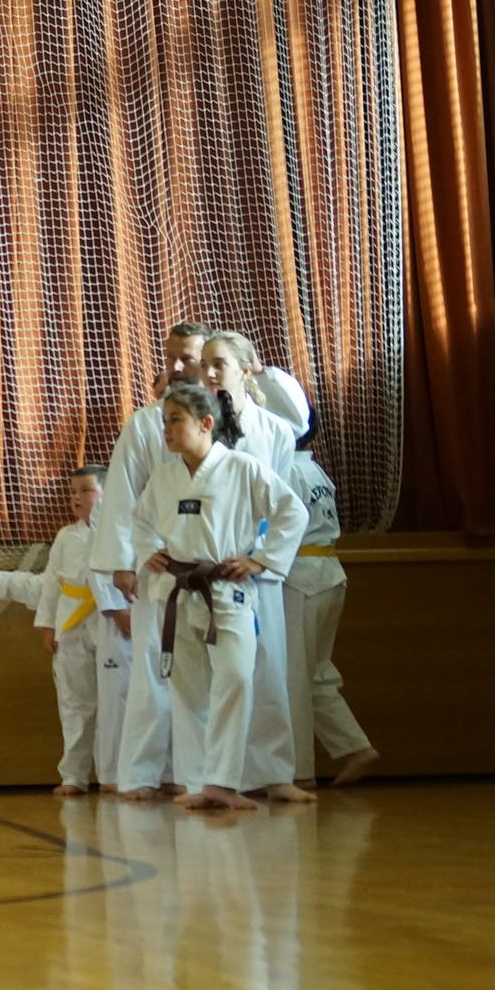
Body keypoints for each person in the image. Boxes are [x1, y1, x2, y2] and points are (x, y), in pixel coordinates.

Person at [129, 383, 304, 811]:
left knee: (237, 677)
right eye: (164, 421)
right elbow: (140, 522)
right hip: (178, 589)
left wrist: (261, 560)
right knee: (187, 691)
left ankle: (224, 781)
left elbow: (292, 511)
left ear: (206, 423)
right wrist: (148, 550)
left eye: (176, 420)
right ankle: (198, 782)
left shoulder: (243, 468)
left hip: (226, 590)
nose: (166, 429)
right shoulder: (164, 477)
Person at [90, 321, 215, 800]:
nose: (178, 367)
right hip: (156, 566)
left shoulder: (225, 421)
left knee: (213, 677)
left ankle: (203, 775)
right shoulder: (146, 424)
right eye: (172, 358)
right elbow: (122, 494)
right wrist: (123, 562)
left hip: (212, 567)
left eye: (188, 358)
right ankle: (142, 775)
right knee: (150, 668)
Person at [0, 466, 128, 795]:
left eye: (86, 490)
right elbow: (50, 585)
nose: (76, 498)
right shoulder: (66, 537)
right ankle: (74, 776)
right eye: (73, 492)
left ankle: (115, 774)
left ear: (108, 494)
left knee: (116, 700)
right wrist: (48, 625)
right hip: (71, 624)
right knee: (74, 703)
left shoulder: (124, 533)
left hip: (110, 622)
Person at [202, 331, 308, 805]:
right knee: (222, 675)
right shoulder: (198, 427)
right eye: (204, 364)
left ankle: (275, 773)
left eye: (219, 364)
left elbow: (283, 504)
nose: (209, 373)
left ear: (245, 370)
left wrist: (260, 557)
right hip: (209, 564)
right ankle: (219, 777)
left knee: (268, 668)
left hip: (255, 565)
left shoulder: (275, 431)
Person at [282, 415, 377, 785]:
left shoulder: (287, 469)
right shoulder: (315, 470)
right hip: (328, 573)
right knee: (317, 672)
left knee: (294, 677)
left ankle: (298, 772)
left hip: (302, 576)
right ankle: (355, 747)